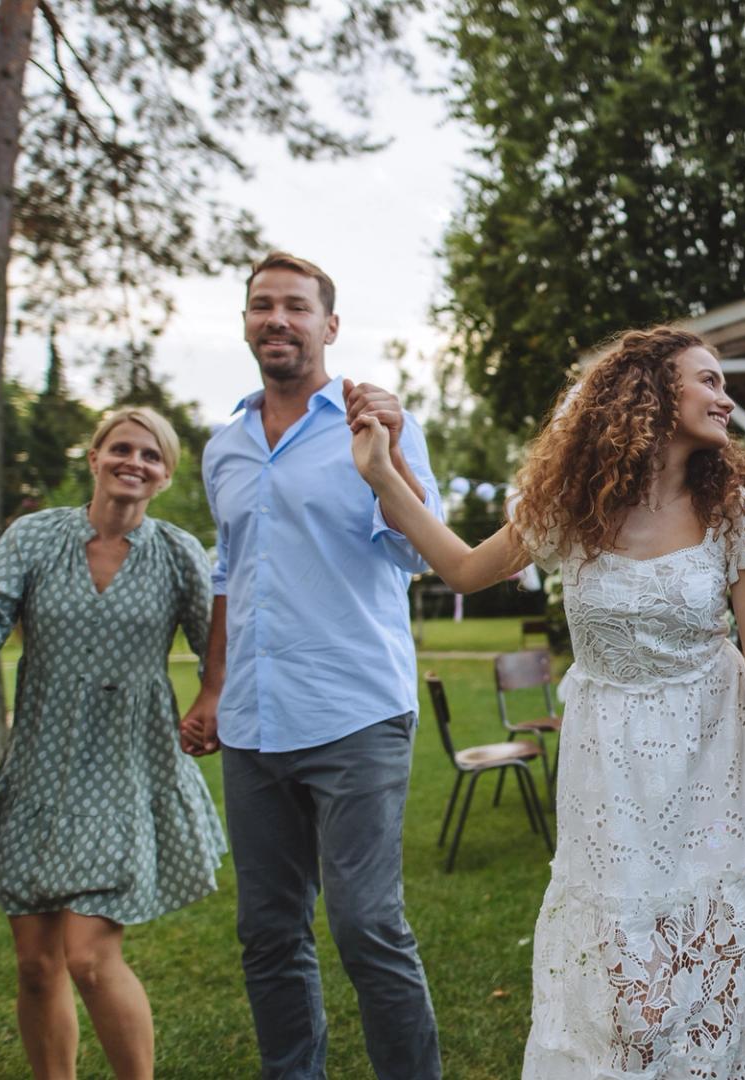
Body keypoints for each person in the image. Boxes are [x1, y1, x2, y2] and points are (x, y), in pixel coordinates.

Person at [350, 325, 745, 1077]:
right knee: (628, 984)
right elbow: (464, 569)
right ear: (652, 391)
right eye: (710, 380)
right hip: (610, 766)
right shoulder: (571, 504)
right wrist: (382, 474)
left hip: (717, 757)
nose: (727, 398)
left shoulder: (736, 512)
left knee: (705, 968)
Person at [180, 252, 444, 1079]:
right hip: (256, 720)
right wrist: (215, 686)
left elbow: (419, 551)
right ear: (247, 322)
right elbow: (231, 573)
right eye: (262, 306)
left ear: (330, 326)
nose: (277, 321)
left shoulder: (373, 427)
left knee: (368, 925)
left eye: (296, 307)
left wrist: (393, 454)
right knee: (267, 929)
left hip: (355, 709)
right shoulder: (224, 447)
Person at [0, 407, 225, 1079]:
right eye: (121, 448)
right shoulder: (35, 537)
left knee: (89, 957)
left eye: (150, 456)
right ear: (93, 458)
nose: (133, 462)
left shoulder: (176, 553)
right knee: (36, 966)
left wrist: (211, 702)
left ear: (165, 476)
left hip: (127, 768)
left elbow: (219, 650)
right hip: (41, 766)